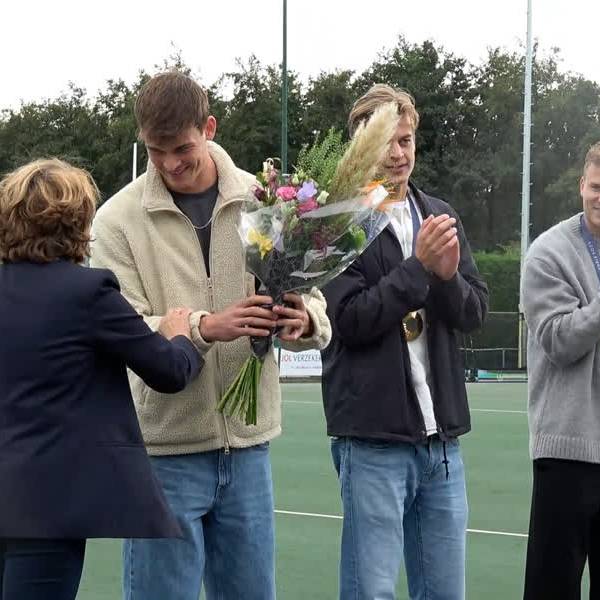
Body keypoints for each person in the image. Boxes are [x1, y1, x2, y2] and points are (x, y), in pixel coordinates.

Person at [90, 71, 331, 600]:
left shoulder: (266, 199)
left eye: (183, 148)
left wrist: (305, 320)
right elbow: (119, 328)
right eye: (156, 151)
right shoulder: (116, 220)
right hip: (164, 456)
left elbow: (315, 298)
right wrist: (204, 328)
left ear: (210, 128)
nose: (171, 163)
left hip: (248, 450)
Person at [0, 158, 203, 600]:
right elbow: (167, 372)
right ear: (77, 222)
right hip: (47, 509)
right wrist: (182, 336)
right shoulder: (87, 293)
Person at [320, 84, 488, 600]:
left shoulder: (437, 212)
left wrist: (447, 276)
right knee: (371, 592)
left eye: (407, 141)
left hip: (441, 445)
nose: (398, 154)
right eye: (386, 143)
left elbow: (473, 313)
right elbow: (347, 320)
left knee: (444, 593)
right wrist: (418, 269)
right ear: (361, 148)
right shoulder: (335, 221)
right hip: (373, 441)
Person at [521, 141, 600, 600]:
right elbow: (560, 340)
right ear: (582, 186)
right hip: (568, 452)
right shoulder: (548, 253)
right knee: (554, 588)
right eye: (596, 187)